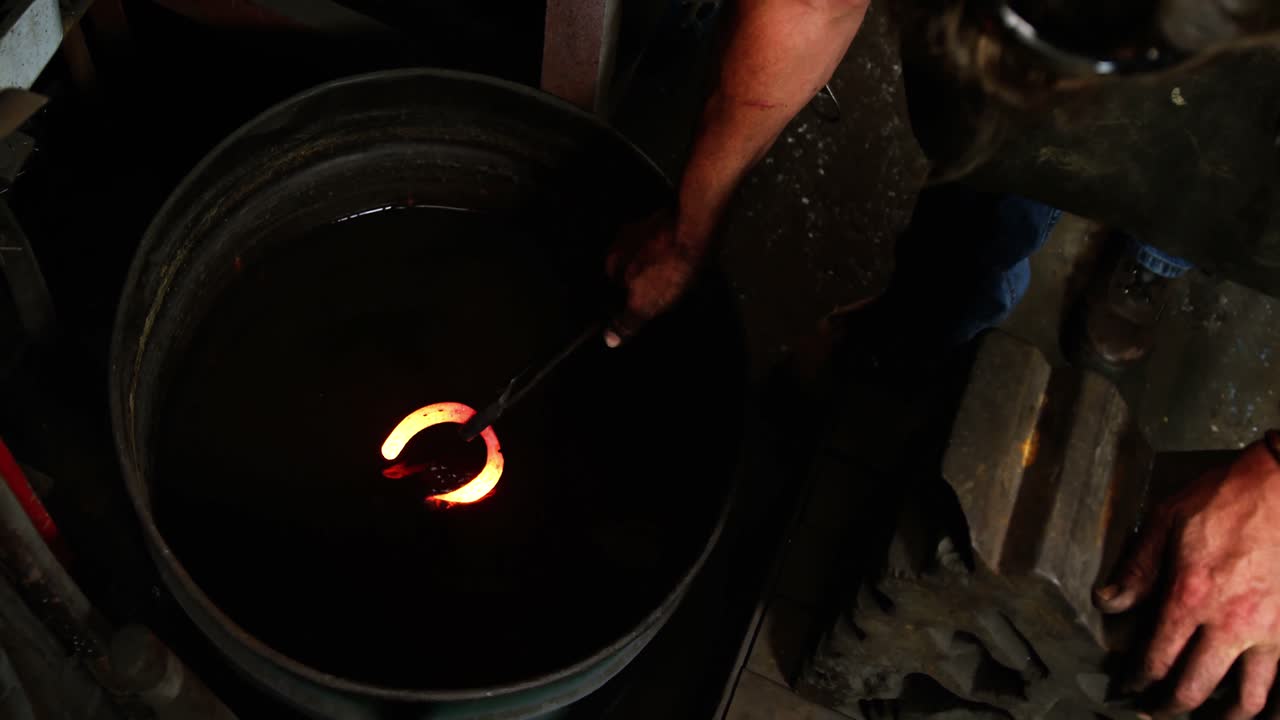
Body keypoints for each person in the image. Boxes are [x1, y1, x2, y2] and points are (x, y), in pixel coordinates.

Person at [601, 1, 1280, 718]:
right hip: (1021, 138)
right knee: (973, 238)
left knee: (1192, 190)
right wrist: (689, 226)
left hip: (1247, 140)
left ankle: (1155, 254)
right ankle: (949, 296)